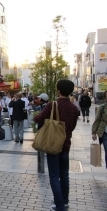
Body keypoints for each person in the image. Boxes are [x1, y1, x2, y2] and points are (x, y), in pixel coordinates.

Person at [34, 80, 78, 211]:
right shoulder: (74, 108)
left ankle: (59, 205)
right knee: (64, 174)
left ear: (58, 90)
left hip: (53, 144)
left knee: (54, 175)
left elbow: (38, 119)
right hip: (66, 144)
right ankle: (64, 201)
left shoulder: (52, 105)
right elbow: (73, 127)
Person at [91, 90, 107, 170]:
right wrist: (93, 132)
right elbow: (97, 120)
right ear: (105, 98)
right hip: (105, 132)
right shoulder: (102, 107)